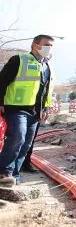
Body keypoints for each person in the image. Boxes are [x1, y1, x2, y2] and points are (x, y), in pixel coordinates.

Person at [0, 35, 55, 186]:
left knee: (26, 144)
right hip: (16, 108)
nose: (49, 48)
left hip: (36, 112)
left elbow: (45, 90)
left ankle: (14, 176)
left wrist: (45, 108)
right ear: (35, 45)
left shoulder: (47, 66)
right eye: (47, 45)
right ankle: (4, 172)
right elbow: (2, 81)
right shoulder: (19, 60)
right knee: (18, 136)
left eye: (51, 46)